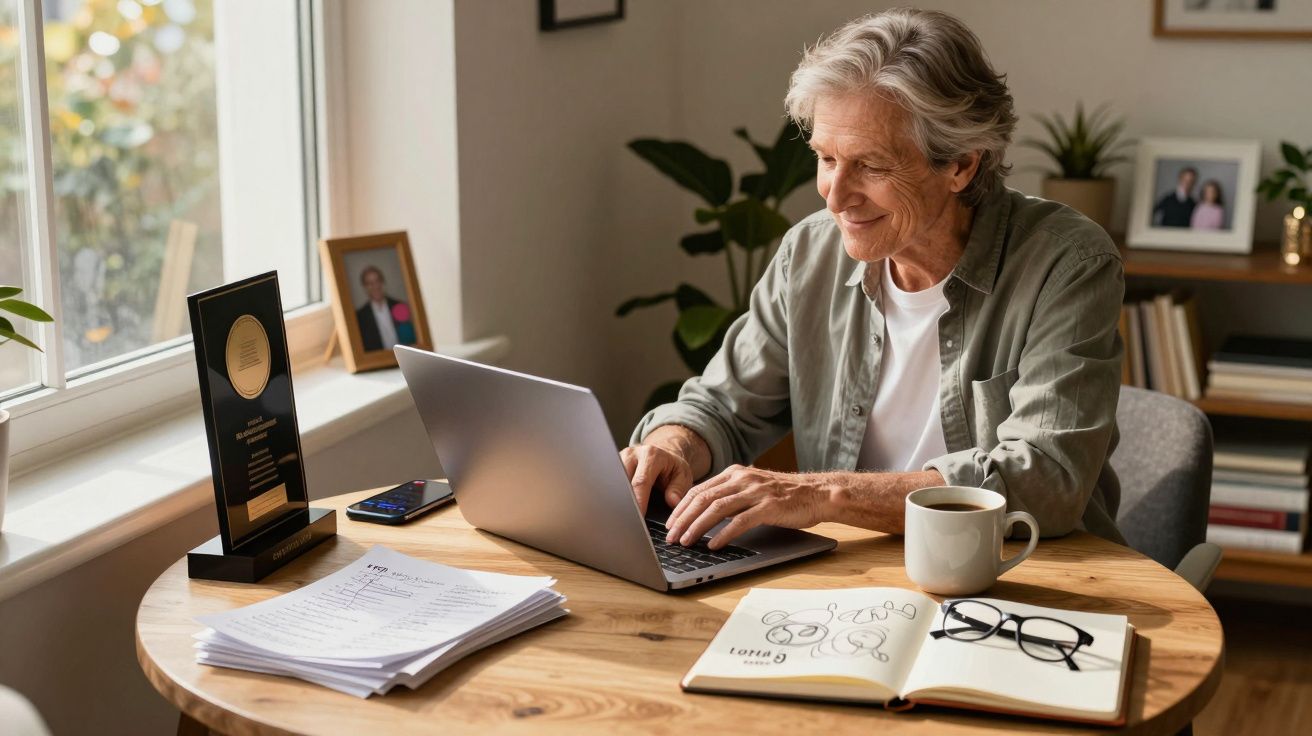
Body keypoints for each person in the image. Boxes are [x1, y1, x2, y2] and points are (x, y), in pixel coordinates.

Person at [621, 9, 1126, 552]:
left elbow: (1046, 477)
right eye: (826, 158)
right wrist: (673, 444)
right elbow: (722, 406)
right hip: (850, 585)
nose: (835, 195)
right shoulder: (810, 253)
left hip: (1022, 575)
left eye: (871, 166)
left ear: (960, 165)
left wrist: (825, 494)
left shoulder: (1066, 264)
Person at [355, 264, 416, 351]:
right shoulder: (360, 316)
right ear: (365, 287)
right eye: (370, 283)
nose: (375, 286)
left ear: (383, 282)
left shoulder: (400, 307)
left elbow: (411, 340)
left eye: (377, 281)